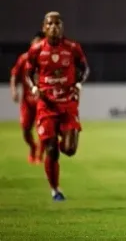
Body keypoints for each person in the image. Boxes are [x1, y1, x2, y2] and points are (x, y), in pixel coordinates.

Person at [26, 12, 90, 201]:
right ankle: (55, 189)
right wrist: (35, 87)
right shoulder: (36, 50)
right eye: (50, 24)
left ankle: (59, 139)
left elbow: (85, 69)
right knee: (52, 150)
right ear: (44, 27)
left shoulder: (72, 48)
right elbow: (29, 73)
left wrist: (78, 84)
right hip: (46, 106)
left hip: (68, 103)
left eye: (57, 23)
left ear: (62, 27)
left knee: (69, 150)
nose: (54, 27)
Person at [10, 31, 45, 164]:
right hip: (27, 102)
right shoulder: (24, 59)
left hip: (42, 101)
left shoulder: (46, 60)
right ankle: (33, 147)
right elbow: (14, 74)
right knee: (25, 130)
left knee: (43, 130)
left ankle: (40, 156)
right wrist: (14, 90)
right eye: (34, 43)